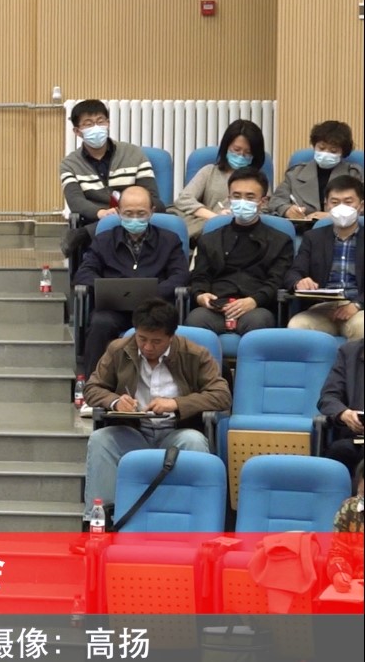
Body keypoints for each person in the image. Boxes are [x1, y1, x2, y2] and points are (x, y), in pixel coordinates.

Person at [82, 298, 231, 506]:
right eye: (141, 339)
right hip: (133, 431)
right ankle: (100, 517)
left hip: (176, 431)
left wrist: (177, 404)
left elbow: (222, 395)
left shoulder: (194, 354)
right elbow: (92, 388)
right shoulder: (119, 350)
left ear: (171, 336)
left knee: (194, 442)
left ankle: (193, 513)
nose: (147, 347)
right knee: (101, 440)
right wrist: (114, 401)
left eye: (156, 341)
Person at [73, 186, 189, 388]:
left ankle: (165, 388)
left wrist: (153, 293)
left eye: (141, 213)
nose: (135, 219)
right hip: (114, 308)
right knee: (100, 323)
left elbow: (180, 276)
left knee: (161, 324)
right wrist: (110, 288)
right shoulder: (104, 240)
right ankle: (94, 388)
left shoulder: (169, 240)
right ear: (118, 213)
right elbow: (84, 273)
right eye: (128, 213)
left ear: (152, 212)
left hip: (155, 309)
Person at [186, 167, 293, 336]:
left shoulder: (280, 241)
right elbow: (200, 277)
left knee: (258, 322)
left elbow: (276, 281)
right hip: (216, 306)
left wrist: (254, 301)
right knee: (196, 320)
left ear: (263, 201)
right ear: (229, 199)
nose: (242, 201)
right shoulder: (210, 239)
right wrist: (201, 295)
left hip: (255, 307)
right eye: (236, 196)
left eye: (250, 197)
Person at [58, 99, 163, 258]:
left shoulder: (134, 153)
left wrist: (126, 209)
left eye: (100, 121)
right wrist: (101, 213)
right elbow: (75, 201)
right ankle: (96, 229)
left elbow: (151, 195)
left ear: (108, 123)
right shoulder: (70, 164)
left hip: (136, 213)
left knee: (160, 207)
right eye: (88, 124)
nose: (96, 128)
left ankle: (86, 233)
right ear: (77, 131)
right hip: (96, 217)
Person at [311, 461, 363, 662]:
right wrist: (339, 572)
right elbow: (337, 551)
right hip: (355, 588)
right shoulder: (350, 509)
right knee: (329, 617)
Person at [284, 175, 364, 341]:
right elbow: (294, 272)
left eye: (348, 202)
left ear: (361, 206)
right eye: (335, 202)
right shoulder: (313, 237)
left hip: (359, 308)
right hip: (322, 308)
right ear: (326, 205)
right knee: (297, 326)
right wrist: (299, 282)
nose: (341, 207)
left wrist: (357, 304)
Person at [172, 119, 267, 241]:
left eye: (247, 153)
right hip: (208, 233)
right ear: (226, 147)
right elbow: (184, 199)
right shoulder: (209, 171)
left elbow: (265, 211)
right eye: (236, 150)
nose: (241, 156)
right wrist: (215, 218)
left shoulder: (258, 180)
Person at [268, 120, 363, 220]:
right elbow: (276, 200)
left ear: (343, 152)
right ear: (314, 146)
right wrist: (286, 209)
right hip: (302, 226)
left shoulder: (354, 174)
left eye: (333, 151)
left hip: (341, 226)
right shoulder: (296, 173)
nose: (326, 153)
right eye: (321, 148)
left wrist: (332, 216)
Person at [317, 338, 364, 473]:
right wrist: (344, 414)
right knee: (339, 451)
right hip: (357, 438)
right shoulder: (349, 352)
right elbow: (328, 397)